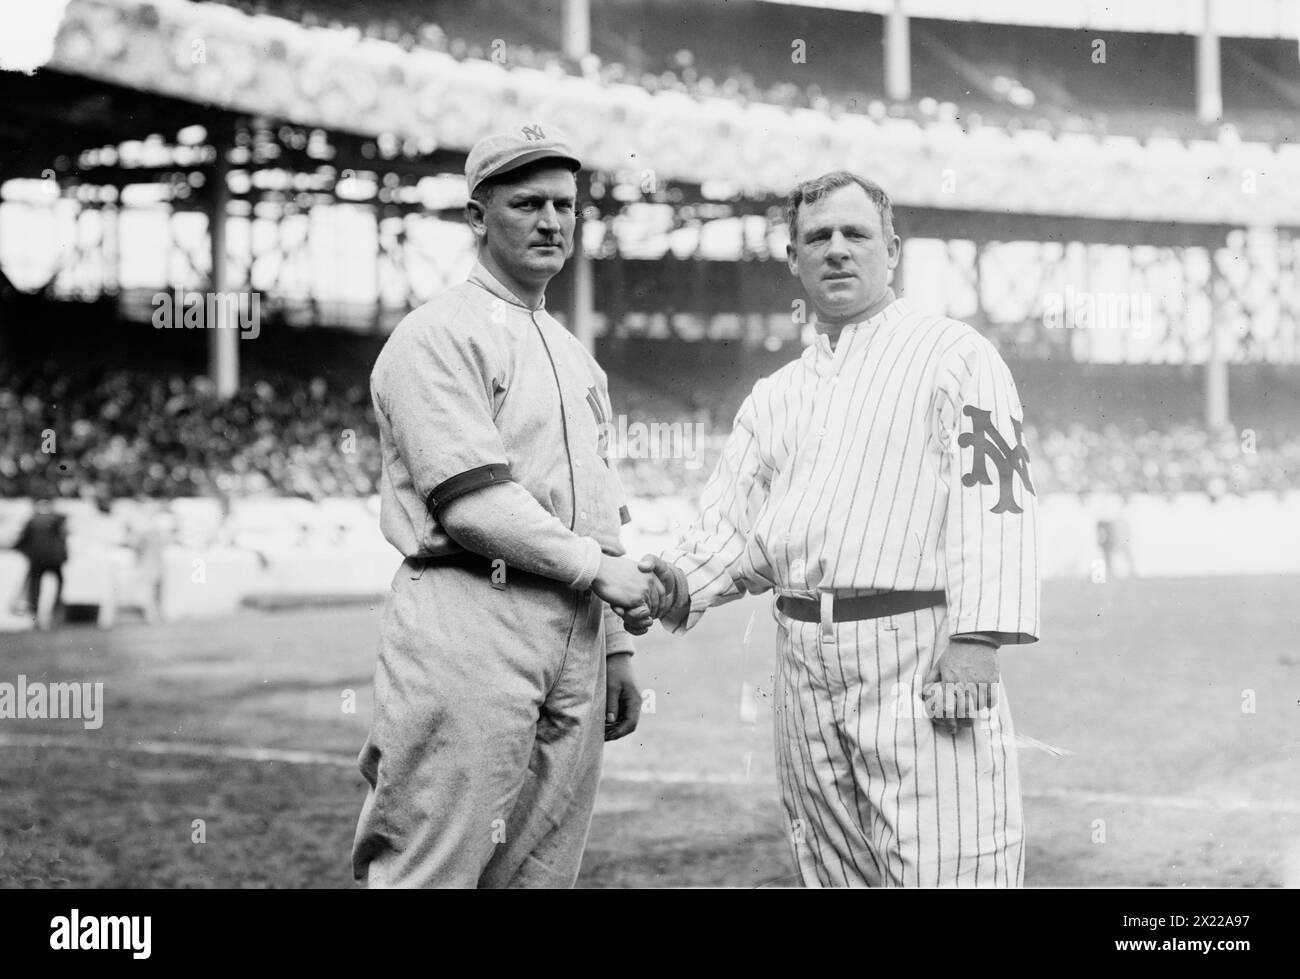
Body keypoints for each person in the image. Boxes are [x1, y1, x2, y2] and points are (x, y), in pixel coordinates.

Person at [632, 171, 1041, 887]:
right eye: (817, 237)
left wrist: (977, 641)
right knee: (836, 873)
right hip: (801, 658)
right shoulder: (775, 396)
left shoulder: (955, 355)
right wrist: (675, 585)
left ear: (893, 249)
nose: (838, 250)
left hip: (914, 648)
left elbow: (997, 501)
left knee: (953, 865)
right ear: (793, 259)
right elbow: (733, 532)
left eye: (856, 234)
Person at [352, 123, 661, 889]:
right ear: (477, 217)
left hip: (575, 631)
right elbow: (473, 505)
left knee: (540, 872)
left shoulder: (577, 358)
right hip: (469, 613)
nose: (552, 221)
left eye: (564, 204)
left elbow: (600, 514)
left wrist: (616, 646)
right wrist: (598, 571)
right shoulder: (435, 335)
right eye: (527, 203)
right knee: (432, 861)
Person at [13, 493, 68, 628]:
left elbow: (22, 540)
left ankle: (36, 614)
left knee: (35, 587)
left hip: (38, 559)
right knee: (59, 583)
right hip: (54, 559)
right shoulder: (57, 518)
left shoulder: (33, 520)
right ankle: (56, 612)